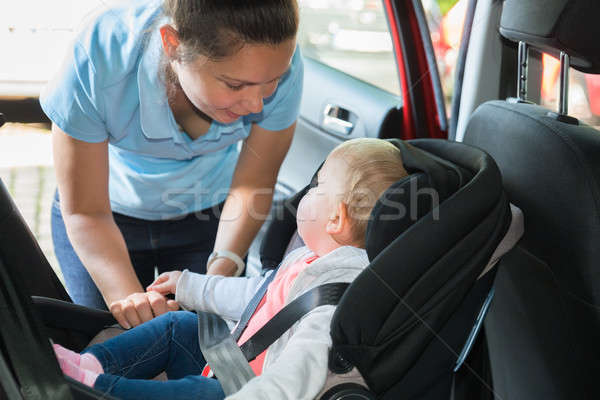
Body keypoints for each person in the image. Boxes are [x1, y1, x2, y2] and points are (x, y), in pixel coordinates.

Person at [51, 138, 409, 400]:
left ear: (335, 218)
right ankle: (91, 365)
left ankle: (92, 390)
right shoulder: (309, 260)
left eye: (318, 186)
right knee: (181, 325)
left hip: (252, 390)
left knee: (200, 393)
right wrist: (190, 286)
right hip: (236, 362)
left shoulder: (336, 298)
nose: (307, 192)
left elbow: (301, 371)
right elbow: (255, 295)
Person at [40, 0, 303, 328]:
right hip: (101, 216)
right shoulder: (101, 52)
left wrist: (220, 273)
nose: (255, 103)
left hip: (212, 216)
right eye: (235, 85)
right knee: (110, 342)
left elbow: (252, 185)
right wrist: (130, 301)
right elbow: (85, 210)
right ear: (173, 45)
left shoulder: (273, 60)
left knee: (202, 343)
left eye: (271, 83)